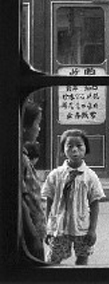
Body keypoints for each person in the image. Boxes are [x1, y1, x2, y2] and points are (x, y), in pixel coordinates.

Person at [42, 129, 105, 265]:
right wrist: (48, 227)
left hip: (82, 226)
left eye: (79, 146)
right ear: (63, 149)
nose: (74, 150)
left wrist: (92, 230)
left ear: (85, 148)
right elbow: (49, 201)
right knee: (54, 259)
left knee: (82, 258)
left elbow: (95, 204)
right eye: (69, 146)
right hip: (59, 227)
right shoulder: (55, 175)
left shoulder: (90, 176)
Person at [21, 102, 47, 261]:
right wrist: (33, 235)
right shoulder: (21, 159)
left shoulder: (23, 156)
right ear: (25, 127)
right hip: (28, 232)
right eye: (37, 123)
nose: (39, 129)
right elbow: (23, 200)